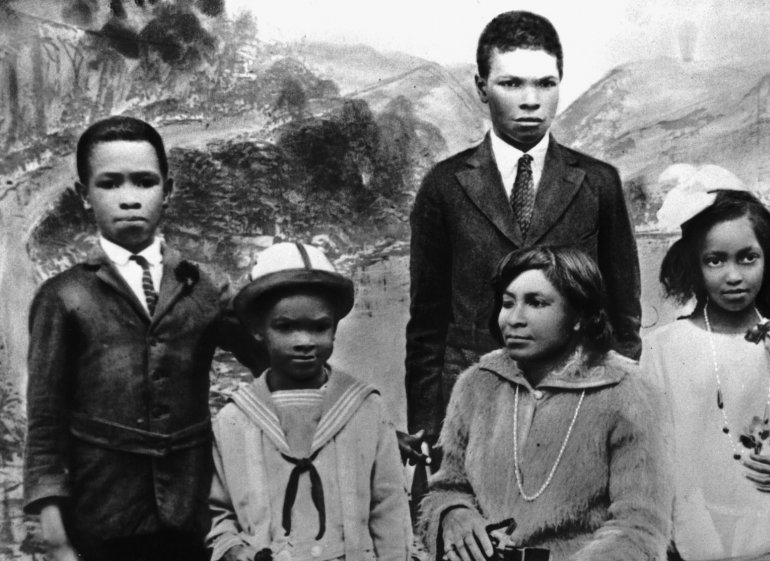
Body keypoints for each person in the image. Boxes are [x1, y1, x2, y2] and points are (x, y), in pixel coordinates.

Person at [403, 10, 642, 465]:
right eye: (511, 84)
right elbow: (426, 326)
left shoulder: (598, 183)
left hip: (575, 400)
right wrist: (428, 430)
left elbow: (624, 318)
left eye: (545, 84)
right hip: (471, 403)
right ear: (480, 88)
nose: (531, 100)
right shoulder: (445, 184)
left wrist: (614, 413)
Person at [23, 116, 259, 561]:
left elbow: (273, 359)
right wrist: (55, 537)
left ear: (167, 191)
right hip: (101, 518)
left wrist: (363, 415)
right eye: (110, 184)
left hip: (193, 514)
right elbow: (45, 423)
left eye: (145, 182)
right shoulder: (64, 295)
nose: (129, 198)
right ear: (84, 195)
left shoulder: (204, 285)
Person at [418, 246, 667, 561]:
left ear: (578, 316)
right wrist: (452, 514)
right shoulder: (477, 384)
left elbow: (640, 528)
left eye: (536, 303)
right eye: (508, 303)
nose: (514, 319)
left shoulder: (627, 392)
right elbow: (447, 488)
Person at [642, 173, 770, 561]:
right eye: (715, 260)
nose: (733, 276)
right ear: (694, 265)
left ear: (768, 259)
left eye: (747, 258)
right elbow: (650, 458)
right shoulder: (664, 349)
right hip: (692, 545)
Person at [206, 243, 410, 561]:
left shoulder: (367, 409)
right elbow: (218, 513)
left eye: (319, 327)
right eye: (285, 327)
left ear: (335, 327)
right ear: (258, 329)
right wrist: (231, 548)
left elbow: (390, 509)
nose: (304, 341)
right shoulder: (233, 420)